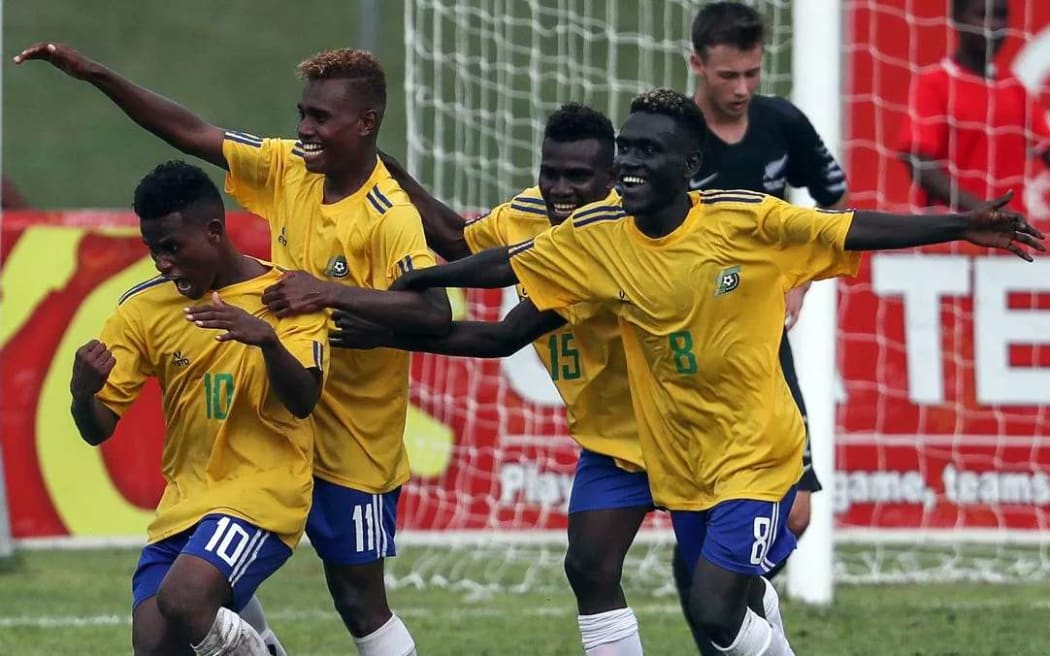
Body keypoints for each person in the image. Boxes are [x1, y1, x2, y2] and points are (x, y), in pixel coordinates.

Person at [388, 88, 1042, 656]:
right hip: (683, 458)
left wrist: (960, 224)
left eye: (649, 153)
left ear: (691, 166)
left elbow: (846, 228)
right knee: (701, 604)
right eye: (628, 150)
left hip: (757, 452)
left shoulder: (744, 219)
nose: (632, 165)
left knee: (711, 612)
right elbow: (509, 263)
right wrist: (427, 276)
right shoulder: (599, 230)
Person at [18, 42, 451, 656]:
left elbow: (433, 312)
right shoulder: (290, 169)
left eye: (320, 118)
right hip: (272, 416)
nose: (304, 129)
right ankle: (257, 643)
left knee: (358, 600)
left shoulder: (388, 215)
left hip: (351, 431)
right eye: (302, 113)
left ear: (367, 123)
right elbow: (191, 132)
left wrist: (324, 291)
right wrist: (96, 74)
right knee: (197, 582)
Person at [347, 103, 650, 655]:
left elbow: (502, 338)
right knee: (590, 568)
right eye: (550, 172)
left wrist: (387, 326)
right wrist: (376, 166)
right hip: (612, 439)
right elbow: (464, 242)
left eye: (577, 177)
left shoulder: (615, 235)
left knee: (721, 597)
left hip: (684, 430)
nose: (559, 189)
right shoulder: (532, 211)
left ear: (610, 180)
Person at [69, 161, 328, 656]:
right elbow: (97, 430)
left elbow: (304, 401)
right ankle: (263, 644)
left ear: (213, 232)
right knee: (155, 647)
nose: (162, 263)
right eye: (152, 250)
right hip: (184, 501)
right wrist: (83, 392)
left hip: (263, 491)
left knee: (185, 598)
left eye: (171, 247)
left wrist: (268, 342)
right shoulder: (142, 309)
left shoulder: (288, 296)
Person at [899, 0, 1050, 218]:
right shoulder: (934, 83)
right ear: (957, 18)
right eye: (982, 15)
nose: (993, 25)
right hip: (948, 238)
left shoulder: (1014, 88)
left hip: (1008, 237)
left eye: (1000, 16)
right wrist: (983, 211)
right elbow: (920, 166)